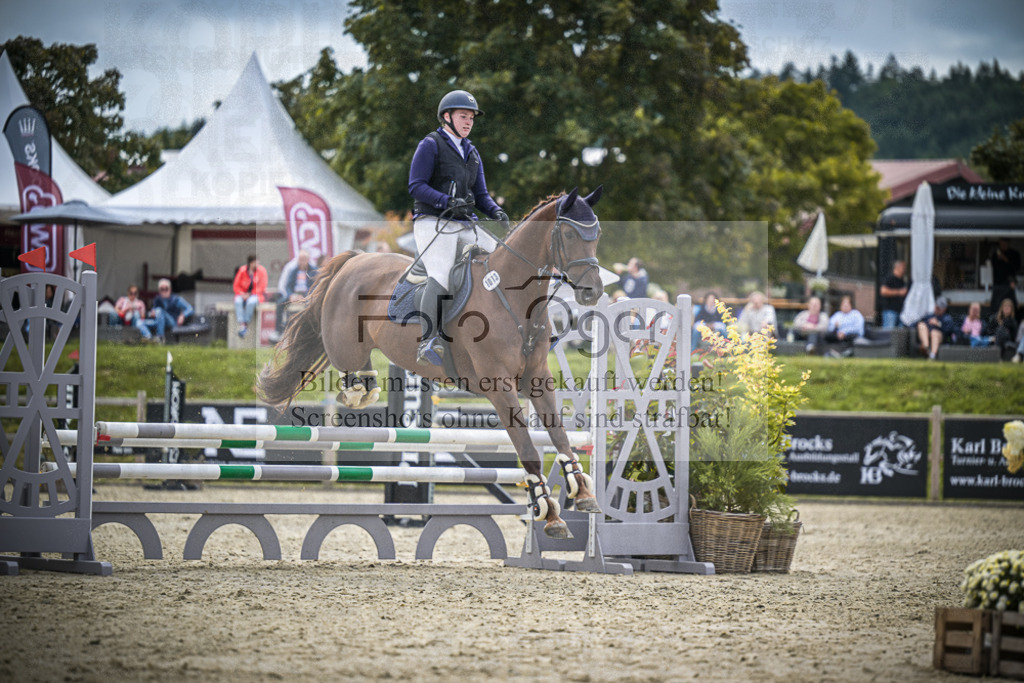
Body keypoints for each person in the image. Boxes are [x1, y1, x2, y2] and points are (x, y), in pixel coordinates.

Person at [408, 89, 510, 365]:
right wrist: (447, 201)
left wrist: (495, 210)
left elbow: (482, 194)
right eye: (464, 116)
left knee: (504, 259)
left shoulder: (472, 152)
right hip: (433, 223)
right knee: (440, 274)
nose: (468, 122)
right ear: (447, 117)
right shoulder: (430, 144)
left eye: (471, 118)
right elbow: (416, 186)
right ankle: (428, 340)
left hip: (463, 223)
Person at [274, 250, 317, 335]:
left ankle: (310, 331)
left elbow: (314, 286)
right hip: (294, 294)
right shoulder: (293, 270)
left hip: (307, 295)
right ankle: (278, 331)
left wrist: (305, 296)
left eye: (303, 259)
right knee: (280, 303)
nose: (301, 261)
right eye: (300, 259)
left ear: (308, 260)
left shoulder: (314, 271)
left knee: (312, 305)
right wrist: (291, 295)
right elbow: (288, 286)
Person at [141, 278, 195, 343]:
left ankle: (160, 338)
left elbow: (191, 308)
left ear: (170, 289)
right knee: (139, 322)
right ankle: (149, 338)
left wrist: (183, 315)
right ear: (159, 290)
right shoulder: (157, 299)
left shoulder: (176, 299)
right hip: (159, 322)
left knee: (159, 310)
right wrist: (152, 313)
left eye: (166, 289)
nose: (164, 291)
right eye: (162, 289)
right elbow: (153, 311)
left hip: (172, 322)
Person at [233, 255, 268, 339]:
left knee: (251, 302)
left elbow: (262, 286)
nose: (257, 264)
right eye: (255, 262)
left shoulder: (262, 270)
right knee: (238, 301)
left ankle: (246, 322)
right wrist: (242, 293)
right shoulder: (242, 270)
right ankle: (242, 324)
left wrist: (251, 293)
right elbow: (236, 285)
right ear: (250, 263)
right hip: (242, 294)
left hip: (255, 295)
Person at [990, 238, 1020, 311]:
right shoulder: (995, 254)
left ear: (1008, 243)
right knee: (996, 306)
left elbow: (1016, 268)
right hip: (997, 284)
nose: (1003, 246)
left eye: (1005, 244)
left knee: (1010, 305)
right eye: (1002, 244)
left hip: (1009, 284)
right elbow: (992, 266)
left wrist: (1005, 259)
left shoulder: (1014, 254)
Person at [878, 260, 908, 328]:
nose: (904, 270)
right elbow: (883, 291)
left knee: (899, 334)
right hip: (890, 310)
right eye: (903, 267)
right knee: (888, 333)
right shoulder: (890, 278)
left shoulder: (902, 281)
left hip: (900, 311)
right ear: (897, 267)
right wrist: (899, 292)